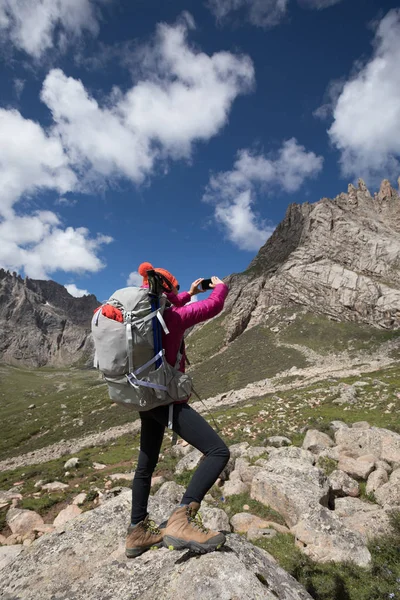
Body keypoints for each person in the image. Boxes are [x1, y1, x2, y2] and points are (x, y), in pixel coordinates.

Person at [126, 262, 230, 558]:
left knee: (145, 465)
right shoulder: (173, 318)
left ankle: (137, 532)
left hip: (145, 397)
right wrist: (219, 286)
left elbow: (170, 304)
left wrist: (188, 293)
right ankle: (181, 520)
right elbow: (213, 306)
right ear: (167, 291)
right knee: (218, 451)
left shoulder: (140, 319)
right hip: (167, 399)